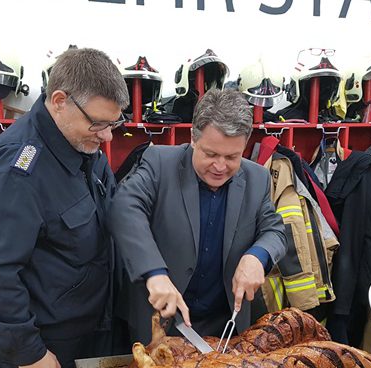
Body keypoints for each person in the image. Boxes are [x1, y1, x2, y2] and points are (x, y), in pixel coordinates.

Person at [0, 48, 129, 368]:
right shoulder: (20, 169)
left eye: (113, 123)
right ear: (58, 101)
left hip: (95, 333)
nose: (107, 135)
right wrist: (28, 352)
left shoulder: (84, 146)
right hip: (48, 352)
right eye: (98, 123)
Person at [109, 89, 286, 344]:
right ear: (193, 137)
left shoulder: (257, 178)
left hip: (226, 328)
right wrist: (154, 273)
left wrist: (257, 256)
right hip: (160, 323)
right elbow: (124, 206)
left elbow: (275, 230)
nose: (220, 166)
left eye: (232, 157)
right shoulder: (159, 162)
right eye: (211, 154)